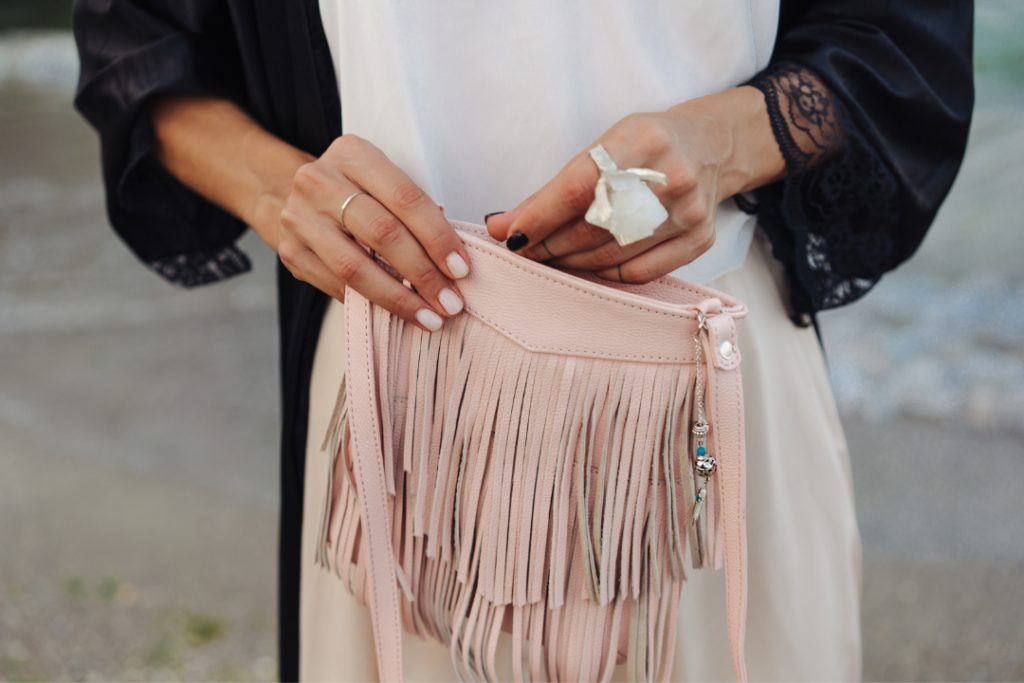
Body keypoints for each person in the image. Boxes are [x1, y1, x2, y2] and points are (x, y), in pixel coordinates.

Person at [73, 1, 973, 680]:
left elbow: (905, 37)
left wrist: (726, 140)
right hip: (393, 382)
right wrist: (282, 191)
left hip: (707, 377)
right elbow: (135, 39)